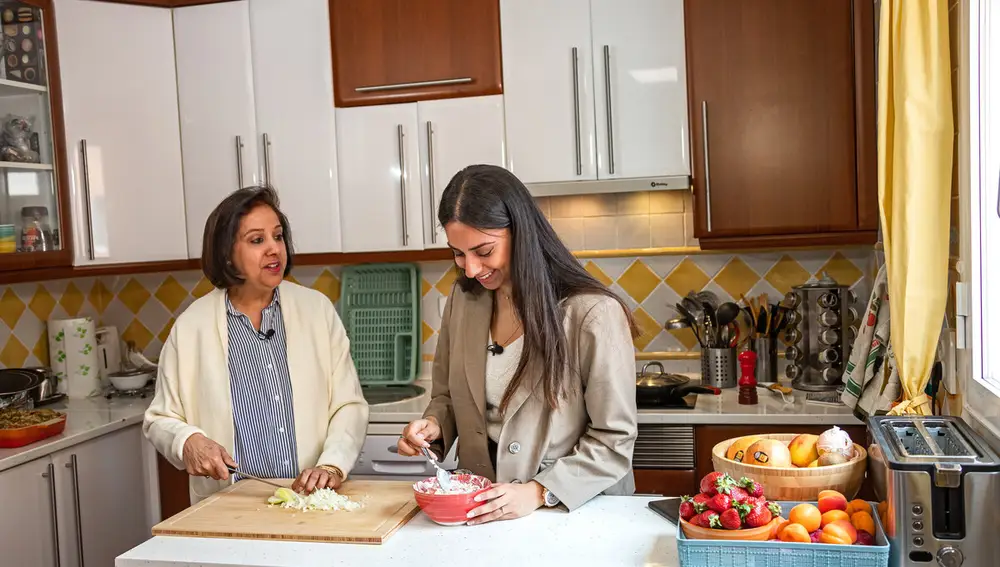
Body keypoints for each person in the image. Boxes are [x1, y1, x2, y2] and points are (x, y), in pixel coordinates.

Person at [397, 164, 639, 525]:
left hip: (572, 511)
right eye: (458, 254)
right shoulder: (464, 302)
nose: (471, 270)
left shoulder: (591, 313)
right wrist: (433, 426)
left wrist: (540, 492)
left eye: (483, 251)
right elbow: (447, 396)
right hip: (483, 510)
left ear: (521, 232)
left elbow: (613, 441)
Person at [144, 186, 369, 504]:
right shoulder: (191, 328)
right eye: (256, 240)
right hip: (229, 506)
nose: (274, 249)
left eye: (277, 236)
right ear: (226, 254)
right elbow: (159, 418)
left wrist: (331, 464)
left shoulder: (317, 311)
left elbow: (349, 404)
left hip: (313, 501)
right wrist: (188, 441)